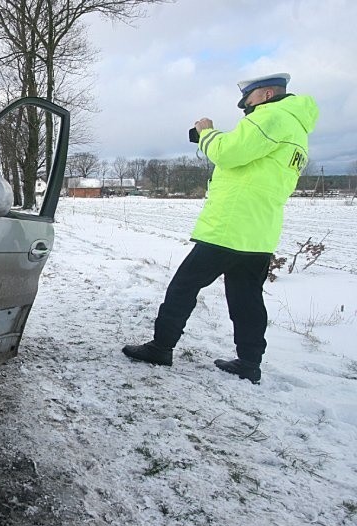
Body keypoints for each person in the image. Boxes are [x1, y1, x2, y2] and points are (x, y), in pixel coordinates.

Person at [122, 73, 319, 383]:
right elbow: (249, 158)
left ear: (266, 94)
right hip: (259, 231)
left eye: (249, 99)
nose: (245, 107)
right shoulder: (297, 129)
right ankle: (249, 363)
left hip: (231, 226)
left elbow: (228, 152)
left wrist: (207, 132)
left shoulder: (271, 116)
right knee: (247, 299)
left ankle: (161, 348)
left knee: (183, 286)